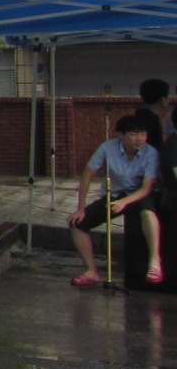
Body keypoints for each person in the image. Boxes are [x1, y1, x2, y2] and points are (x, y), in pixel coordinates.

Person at [67, 110, 165, 287]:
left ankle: (155, 260)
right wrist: (81, 207)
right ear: (121, 135)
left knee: (147, 212)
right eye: (134, 134)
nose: (140, 139)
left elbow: (146, 188)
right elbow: (87, 175)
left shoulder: (151, 153)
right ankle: (91, 271)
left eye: (143, 134)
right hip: (116, 193)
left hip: (140, 194)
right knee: (76, 223)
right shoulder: (106, 148)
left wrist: (124, 202)